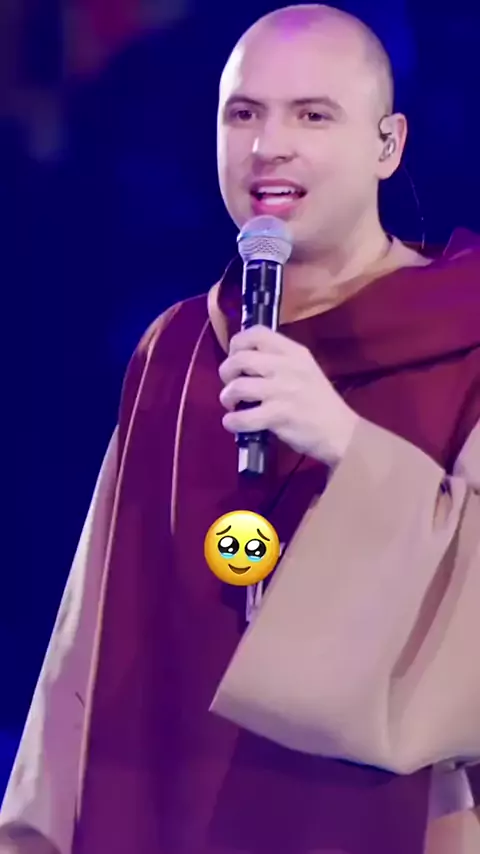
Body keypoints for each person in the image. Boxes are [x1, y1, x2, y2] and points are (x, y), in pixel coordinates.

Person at [1, 4, 480, 853]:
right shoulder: (179, 345)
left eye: (313, 115)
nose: (268, 146)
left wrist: (347, 445)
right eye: (243, 114)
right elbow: (94, 632)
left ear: (388, 144)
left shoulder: (464, 334)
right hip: (175, 805)